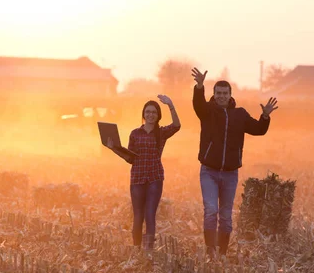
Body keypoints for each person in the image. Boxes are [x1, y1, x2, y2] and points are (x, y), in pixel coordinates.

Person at [191, 67, 278, 258]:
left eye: (225, 93)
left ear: (230, 95)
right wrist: (199, 86)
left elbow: (258, 130)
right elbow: (198, 104)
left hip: (230, 173)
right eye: (218, 93)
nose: (221, 96)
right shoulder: (207, 112)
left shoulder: (240, 114)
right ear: (213, 95)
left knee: (226, 216)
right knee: (211, 211)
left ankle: (222, 253)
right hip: (209, 171)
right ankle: (210, 251)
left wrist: (265, 117)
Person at [106, 95, 181, 250]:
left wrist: (171, 105)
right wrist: (113, 148)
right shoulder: (135, 133)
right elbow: (129, 157)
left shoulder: (161, 133)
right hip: (137, 178)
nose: (150, 114)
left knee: (150, 215)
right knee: (138, 215)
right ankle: (136, 249)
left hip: (155, 177)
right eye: (147, 112)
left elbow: (177, 125)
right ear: (143, 114)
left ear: (158, 115)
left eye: (154, 112)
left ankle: (148, 251)